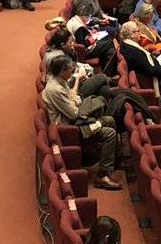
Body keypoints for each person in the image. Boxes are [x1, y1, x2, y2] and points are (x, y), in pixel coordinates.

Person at [42, 54, 122, 191]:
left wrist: (76, 99)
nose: (72, 70)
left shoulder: (59, 81)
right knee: (109, 133)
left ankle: (112, 162)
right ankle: (102, 176)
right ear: (61, 72)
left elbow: (73, 99)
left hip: (73, 122)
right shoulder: (56, 89)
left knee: (109, 120)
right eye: (69, 69)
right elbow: (74, 113)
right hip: (70, 130)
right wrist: (77, 100)